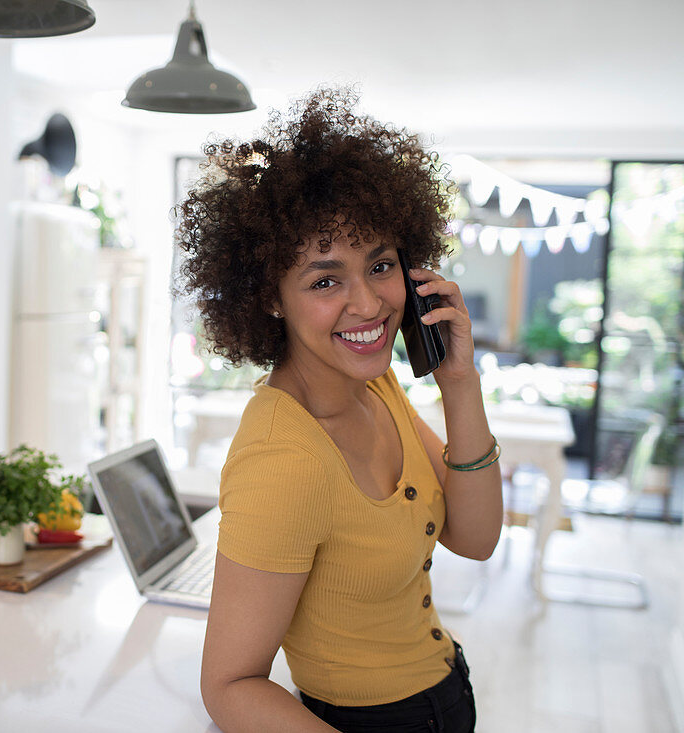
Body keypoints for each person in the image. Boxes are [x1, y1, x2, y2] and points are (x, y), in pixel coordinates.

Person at [176, 88, 503, 733]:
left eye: (380, 266)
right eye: (326, 280)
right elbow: (230, 684)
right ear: (271, 297)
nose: (369, 304)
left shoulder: (375, 386)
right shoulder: (281, 460)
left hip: (447, 695)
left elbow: (477, 537)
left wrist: (460, 383)